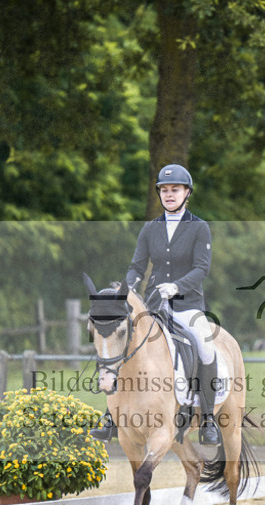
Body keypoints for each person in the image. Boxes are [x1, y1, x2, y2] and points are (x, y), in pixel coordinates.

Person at [90, 163, 221, 444]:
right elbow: (137, 265)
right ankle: (110, 416)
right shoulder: (151, 229)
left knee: (206, 347)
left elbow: (202, 269)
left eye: (175, 190)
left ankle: (208, 419)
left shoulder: (199, 228)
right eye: (164, 190)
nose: (169, 195)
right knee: (123, 346)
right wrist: (130, 285)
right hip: (152, 305)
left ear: (187, 193)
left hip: (188, 305)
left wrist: (177, 286)